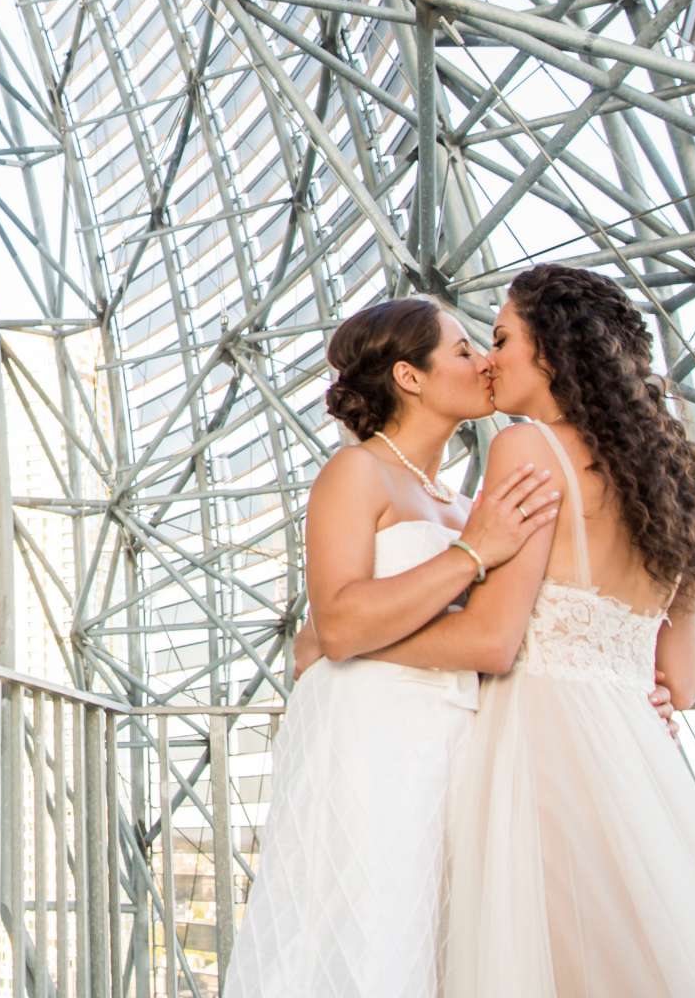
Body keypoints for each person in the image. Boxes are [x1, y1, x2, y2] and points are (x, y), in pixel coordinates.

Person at [354, 265, 695, 995]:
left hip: (534, 746)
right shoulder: (668, 479)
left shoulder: (528, 448)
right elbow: (683, 683)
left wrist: (354, 641)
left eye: (503, 338)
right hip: (632, 750)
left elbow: (491, 640)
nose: (489, 358)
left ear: (551, 350)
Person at [223, 299, 561, 998]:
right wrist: (471, 554)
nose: (484, 362)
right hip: (366, 740)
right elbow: (341, 618)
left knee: (436, 938)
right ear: (410, 376)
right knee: (364, 933)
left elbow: (488, 632)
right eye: (464, 350)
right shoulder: (358, 474)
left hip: (454, 738)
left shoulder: (469, 504)